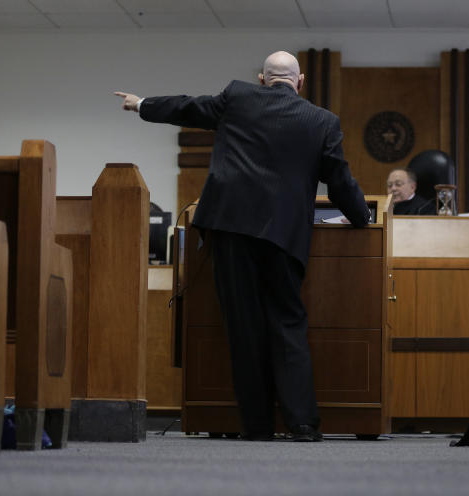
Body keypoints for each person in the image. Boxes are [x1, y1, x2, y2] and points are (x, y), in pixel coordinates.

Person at [114, 51, 370, 442]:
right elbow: (339, 181)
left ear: (262, 79)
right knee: (288, 324)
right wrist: (362, 219)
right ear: (300, 83)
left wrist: (142, 104)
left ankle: (256, 425)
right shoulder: (322, 121)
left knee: (243, 328)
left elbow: (189, 108)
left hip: (231, 229)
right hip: (285, 236)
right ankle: (302, 423)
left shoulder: (237, 97)